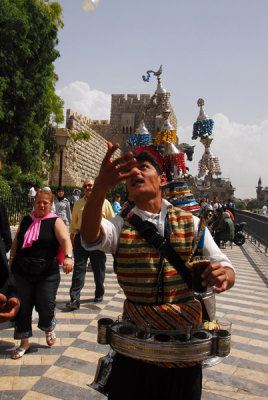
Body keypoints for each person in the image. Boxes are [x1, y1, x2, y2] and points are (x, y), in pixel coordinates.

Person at [80, 143, 235, 400]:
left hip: (184, 349)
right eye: (129, 172)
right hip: (136, 347)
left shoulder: (191, 223)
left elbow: (226, 266)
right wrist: (101, 186)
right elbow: (89, 235)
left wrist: (225, 276)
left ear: (162, 179)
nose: (135, 173)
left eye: (143, 167)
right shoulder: (119, 226)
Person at [9, 190, 73, 359]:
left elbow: (66, 239)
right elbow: (16, 241)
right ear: (34, 202)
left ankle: (48, 325)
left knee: (45, 304)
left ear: (51, 205)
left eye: (45, 203)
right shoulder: (26, 219)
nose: (42, 205)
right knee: (23, 307)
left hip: (46, 273)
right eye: (39, 202)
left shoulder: (55, 221)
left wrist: (68, 257)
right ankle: (24, 342)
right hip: (22, 271)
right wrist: (11, 261)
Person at [66, 178, 114, 310]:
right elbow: (73, 224)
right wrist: (71, 242)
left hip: (98, 239)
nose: (88, 188)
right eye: (85, 186)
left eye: (90, 185)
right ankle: (74, 298)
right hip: (81, 238)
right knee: (79, 269)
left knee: (99, 269)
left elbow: (112, 223)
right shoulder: (78, 204)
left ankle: (99, 292)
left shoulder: (105, 203)